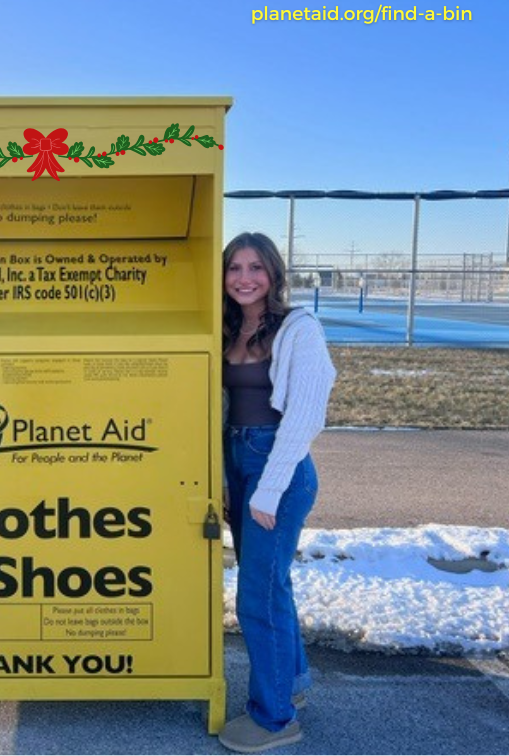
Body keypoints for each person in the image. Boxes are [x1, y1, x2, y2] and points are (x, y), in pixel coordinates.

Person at [217, 232, 335, 754]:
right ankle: (292, 685)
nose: (245, 277)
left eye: (256, 268)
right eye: (234, 267)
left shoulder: (297, 328)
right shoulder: (226, 328)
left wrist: (268, 488)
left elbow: (306, 414)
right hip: (239, 463)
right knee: (272, 583)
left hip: (277, 468)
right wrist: (225, 477)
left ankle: (274, 718)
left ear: (274, 274)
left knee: (256, 597)